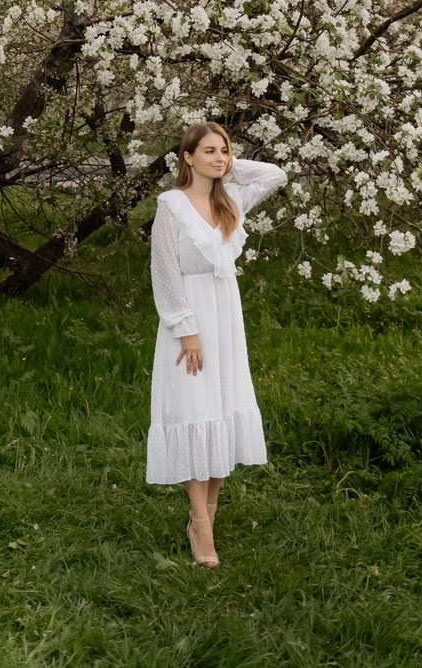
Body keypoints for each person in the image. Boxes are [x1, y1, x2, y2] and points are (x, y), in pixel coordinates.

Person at [146, 120, 286, 566]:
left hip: (226, 316)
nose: (219, 157)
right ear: (186, 157)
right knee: (194, 409)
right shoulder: (172, 204)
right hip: (190, 317)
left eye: (223, 150)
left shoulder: (232, 199)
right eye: (208, 151)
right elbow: (164, 270)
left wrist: (225, 169)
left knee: (223, 408)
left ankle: (206, 516)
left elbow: (274, 175)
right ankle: (200, 526)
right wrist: (185, 329)